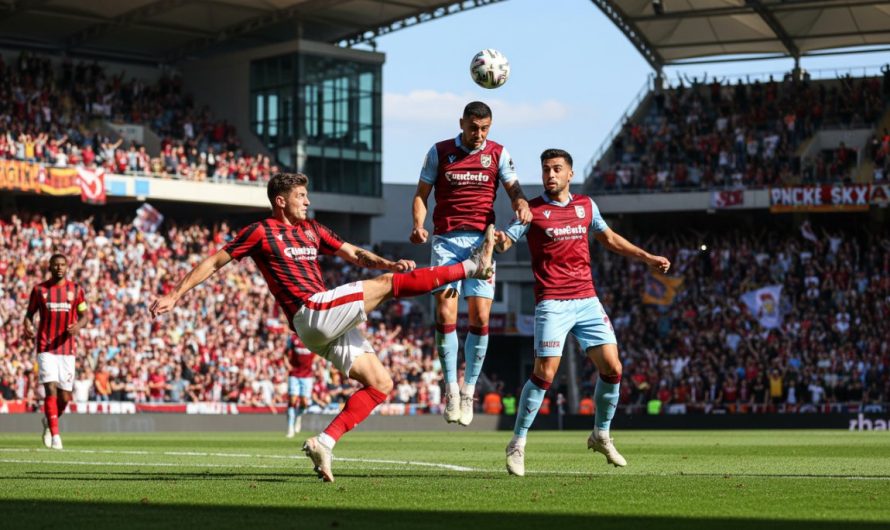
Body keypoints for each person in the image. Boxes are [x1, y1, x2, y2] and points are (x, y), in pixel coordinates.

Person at [150, 172, 495, 482]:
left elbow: (354, 254)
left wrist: (388, 261)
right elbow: (214, 261)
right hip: (310, 310)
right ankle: (471, 267)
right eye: (302, 196)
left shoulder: (313, 230)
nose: (308, 201)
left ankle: (324, 442)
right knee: (390, 284)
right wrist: (176, 295)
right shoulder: (260, 231)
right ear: (281, 201)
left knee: (380, 384)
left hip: (322, 321)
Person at [494, 149, 670, 477]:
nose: (550, 175)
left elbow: (609, 238)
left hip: (587, 300)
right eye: (546, 169)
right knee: (545, 373)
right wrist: (496, 240)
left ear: (570, 174)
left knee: (613, 367)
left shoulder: (586, 206)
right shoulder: (532, 210)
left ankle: (601, 434)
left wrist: (646, 257)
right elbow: (507, 240)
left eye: (557, 169)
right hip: (552, 302)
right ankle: (517, 443)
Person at [410, 101, 532, 426]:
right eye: (473, 128)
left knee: (480, 317)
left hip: (483, 244)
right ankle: (450, 387)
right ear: (461, 123)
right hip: (447, 242)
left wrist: (519, 203)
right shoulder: (439, 152)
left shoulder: (498, 154)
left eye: (484, 129)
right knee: (445, 313)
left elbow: (514, 189)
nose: (478, 134)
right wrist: (419, 225)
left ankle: (468, 390)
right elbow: (421, 194)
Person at [23, 253, 89, 450]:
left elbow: (84, 315)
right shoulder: (39, 290)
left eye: (63, 265)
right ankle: (56, 436)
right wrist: (27, 325)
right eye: (56, 265)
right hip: (46, 345)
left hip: (67, 349)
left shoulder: (76, 290)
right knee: (50, 387)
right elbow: (29, 314)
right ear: (50, 267)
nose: (60, 268)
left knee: (65, 397)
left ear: (67, 267)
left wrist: (78, 326)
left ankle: (48, 421)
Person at [285, 335, 314, 438]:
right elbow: (285, 353)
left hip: (307, 375)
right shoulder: (292, 339)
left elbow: (320, 352)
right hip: (294, 374)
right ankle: (290, 428)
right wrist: (287, 364)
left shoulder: (313, 338)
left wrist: (314, 362)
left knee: (304, 402)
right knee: (292, 400)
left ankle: (299, 416)